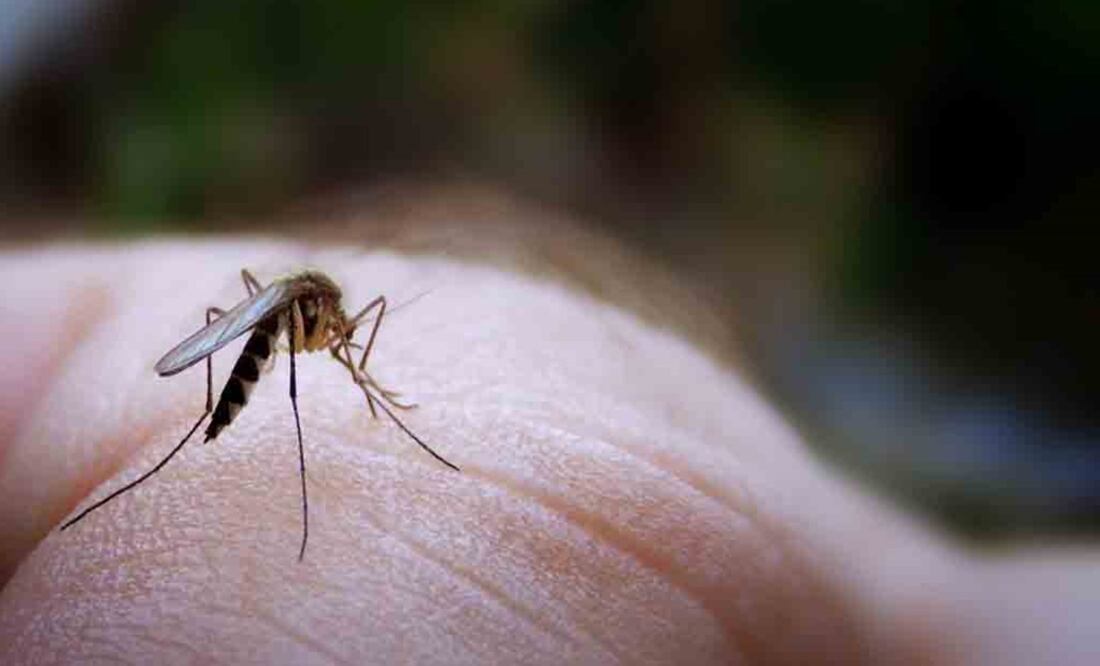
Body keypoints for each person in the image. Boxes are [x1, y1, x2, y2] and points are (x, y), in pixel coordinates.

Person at [0, 231, 1097, 665]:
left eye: (335, 334)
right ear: (320, 314)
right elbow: (284, 326)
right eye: (334, 331)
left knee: (281, 356)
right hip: (250, 354)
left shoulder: (325, 307)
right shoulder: (304, 311)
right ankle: (181, 453)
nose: (339, 336)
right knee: (269, 389)